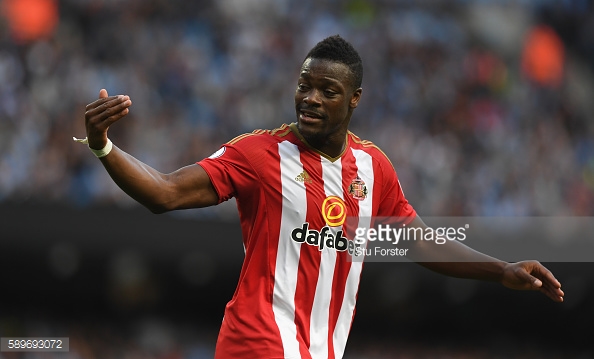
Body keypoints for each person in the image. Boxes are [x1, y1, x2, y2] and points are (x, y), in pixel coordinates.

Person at [79, 35, 564, 359]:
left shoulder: (374, 169)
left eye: (326, 90)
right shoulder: (259, 154)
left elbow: (419, 242)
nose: (309, 97)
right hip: (257, 344)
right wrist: (103, 145)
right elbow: (164, 193)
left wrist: (501, 269)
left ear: (354, 99)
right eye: (304, 85)